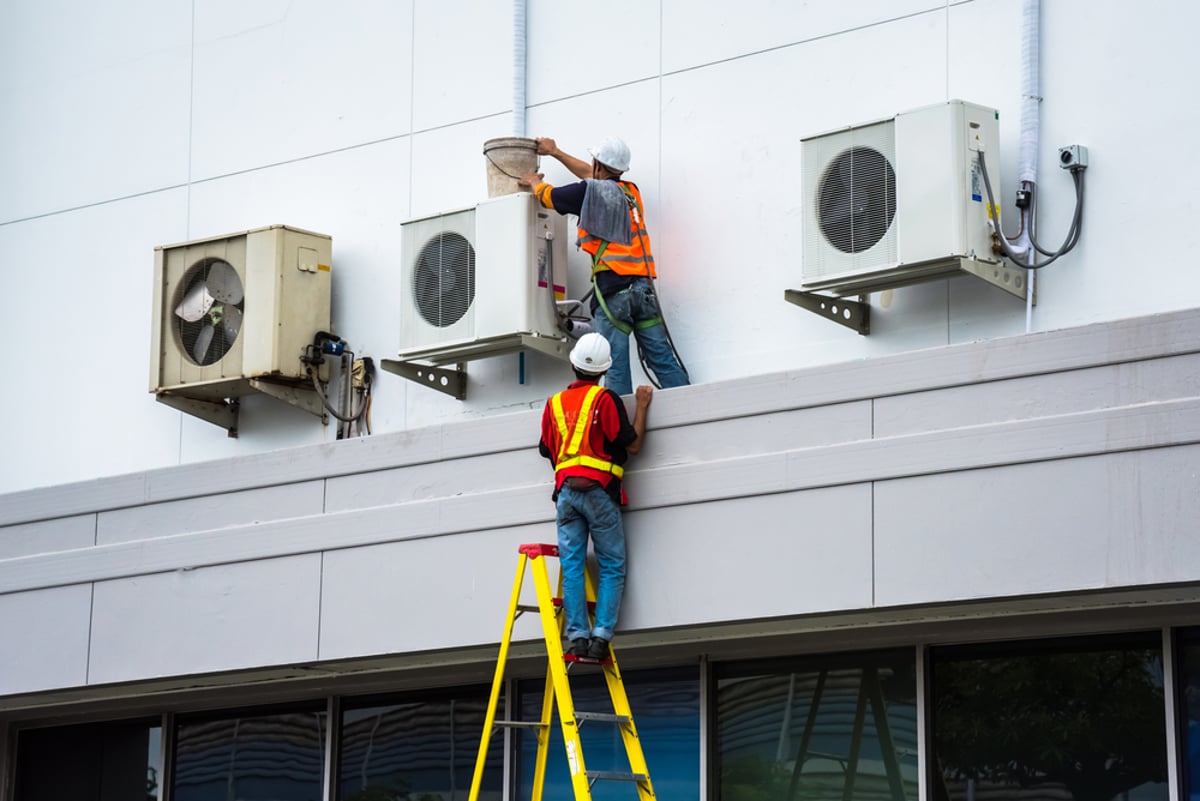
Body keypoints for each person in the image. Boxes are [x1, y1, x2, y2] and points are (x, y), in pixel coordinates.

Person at [519, 136, 689, 397]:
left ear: (598, 163)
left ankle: (619, 426)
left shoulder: (588, 192)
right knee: (661, 358)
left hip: (614, 291)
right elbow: (593, 175)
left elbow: (550, 198)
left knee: (616, 368)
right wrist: (556, 152)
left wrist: (533, 181)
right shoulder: (631, 192)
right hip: (644, 290)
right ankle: (688, 405)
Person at [538, 332, 653, 660]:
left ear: (573, 363)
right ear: (605, 369)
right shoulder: (605, 400)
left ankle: (577, 638)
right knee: (612, 564)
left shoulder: (553, 404)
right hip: (599, 493)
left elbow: (547, 448)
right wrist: (642, 406)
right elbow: (631, 445)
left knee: (572, 564)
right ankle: (601, 637)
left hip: (566, 495)